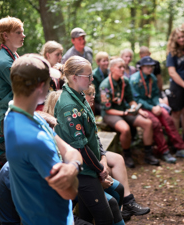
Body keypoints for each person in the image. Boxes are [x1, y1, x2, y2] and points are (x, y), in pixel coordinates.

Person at [4, 54, 82, 225]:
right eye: (49, 82)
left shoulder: (15, 114)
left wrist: (73, 165)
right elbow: (69, 192)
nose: (51, 86)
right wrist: (75, 167)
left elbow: (68, 150)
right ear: (41, 86)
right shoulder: (34, 140)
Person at [54, 56, 121, 225]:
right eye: (88, 76)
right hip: (83, 172)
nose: (92, 79)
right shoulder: (69, 106)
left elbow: (92, 133)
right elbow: (80, 148)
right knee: (105, 218)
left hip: (89, 168)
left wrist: (101, 160)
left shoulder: (79, 96)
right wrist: (100, 169)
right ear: (74, 77)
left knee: (86, 216)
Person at [83, 85, 150, 219]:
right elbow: (81, 145)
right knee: (107, 168)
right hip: (84, 155)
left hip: (95, 151)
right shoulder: (77, 112)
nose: (93, 97)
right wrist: (101, 161)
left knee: (118, 159)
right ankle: (114, 212)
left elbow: (96, 138)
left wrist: (102, 155)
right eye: (89, 93)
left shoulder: (87, 109)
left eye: (93, 93)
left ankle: (128, 202)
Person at [130, 56, 184, 162]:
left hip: (154, 106)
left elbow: (155, 95)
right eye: (147, 67)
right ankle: (164, 151)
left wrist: (157, 106)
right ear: (141, 67)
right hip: (143, 108)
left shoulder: (152, 78)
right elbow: (137, 99)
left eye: (151, 67)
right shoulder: (134, 80)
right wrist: (152, 107)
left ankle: (180, 148)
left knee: (168, 119)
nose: (150, 69)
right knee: (155, 123)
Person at [99, 58, 159, 168]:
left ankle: (148, 154)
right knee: (125, 129)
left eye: (124, 67)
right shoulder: (105, 85)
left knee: (148, 123)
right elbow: (107, 109)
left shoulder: (125, 81)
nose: (123, 69)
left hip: (125, 110)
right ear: (112, 69)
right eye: (120, 67)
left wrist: (138, 110)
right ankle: (127, 155)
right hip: (110, 114)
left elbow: (131, 100)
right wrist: (123, 113)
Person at [0, 16, 25, 125]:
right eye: (18, 32)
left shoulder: (12, 56)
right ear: (5, 35)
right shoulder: (4, 62)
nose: (23, 35)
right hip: (9, 118)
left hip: (15, 113)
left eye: (22, 32)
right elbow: (25, 87)